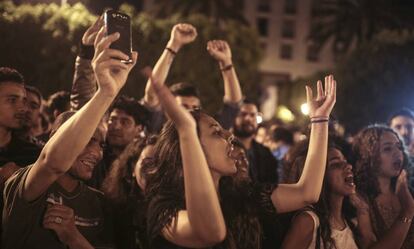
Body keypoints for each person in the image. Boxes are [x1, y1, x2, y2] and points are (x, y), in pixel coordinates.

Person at [138, 74, 337, 248]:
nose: (230, 138)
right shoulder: (163, 206)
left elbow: (307, 193)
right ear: (189, 145)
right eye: (217, 133)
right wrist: (188, 133)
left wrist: (319, 120)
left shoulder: (242, 195)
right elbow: (210, 233)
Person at [2, 26, 138, 249]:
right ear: (54, 138)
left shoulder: (100, 203)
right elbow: (52, 163)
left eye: (100, 144)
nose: (96, 152)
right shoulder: (24, 185)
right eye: (87, 140)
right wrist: (105, 93)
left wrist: (73, 238)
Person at [143, 23, 243, 133]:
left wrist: (226, 63)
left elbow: (233, 105)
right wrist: (173, 45)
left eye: (195, 108)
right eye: (183, 107)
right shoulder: (157, 128)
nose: (189, 112)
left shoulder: (205, 135)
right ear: (168, 110)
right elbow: (152, 94)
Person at [281, 138, 369, 249]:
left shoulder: (348, 219)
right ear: (317, 175)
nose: (348, 166)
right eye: (336, 164)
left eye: (345, 161)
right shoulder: (308, 221)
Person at [353, 125, 414, 249]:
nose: (398, 153)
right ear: (369, 155)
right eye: (387, 149)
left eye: (399, 147)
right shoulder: (362, 200)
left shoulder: (409, 189)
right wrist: (407, 210)